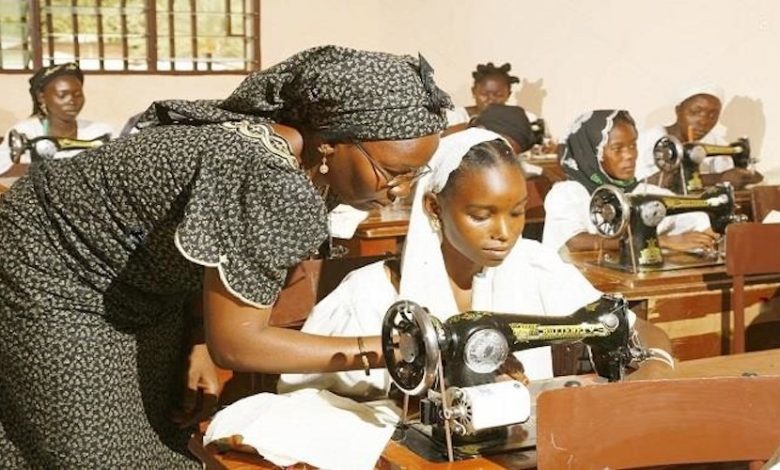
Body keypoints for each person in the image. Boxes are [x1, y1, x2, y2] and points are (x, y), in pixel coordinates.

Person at [0, 45, 451, 468]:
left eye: (416, 173)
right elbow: (238, 343)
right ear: (333, 143)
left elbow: (213, 254)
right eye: (393, 171)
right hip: (47, 267)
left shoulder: (306, 164)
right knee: (96, 454)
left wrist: (196, 335)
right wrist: (386, 352)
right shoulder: (270, 176)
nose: (401, 188)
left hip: (141, 280)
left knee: (163, 435)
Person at [279, 128, 673, 399]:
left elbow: (636, 330)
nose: (504, 232)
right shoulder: (369, 295)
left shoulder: (535, 266)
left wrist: (654, 371)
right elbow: (303, 398)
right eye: (482, 215)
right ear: (435, 207)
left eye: (517, 213)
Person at [543, 110, 719, 254]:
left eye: (633, 145)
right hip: (571, 285)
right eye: (617, 149)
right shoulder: (568, 193)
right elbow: (576, 241)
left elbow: (694, 219)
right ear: (590, 154)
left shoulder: (644, 191)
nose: (630, 155)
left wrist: (706, 236)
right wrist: (661, 242)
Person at [635, 84, 763, 191]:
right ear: (678, 110)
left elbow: (730, 179)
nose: (704, 121)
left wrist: (747, 176)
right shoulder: (648, 141)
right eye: (695, 112)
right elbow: (643, 186)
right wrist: (718, 179)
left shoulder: (714, 141)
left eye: (713, 115)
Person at [0, 62, 115, 175]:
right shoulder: (24, 132)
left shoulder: (100, 130)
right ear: (41, 97)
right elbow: (3, 172)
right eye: (62, 95)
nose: (72, 101)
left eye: (78, 95)